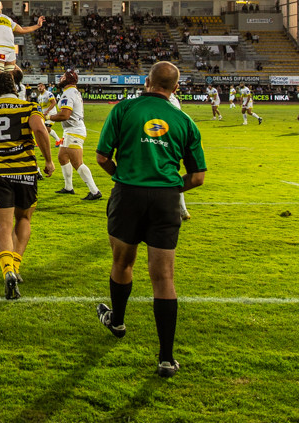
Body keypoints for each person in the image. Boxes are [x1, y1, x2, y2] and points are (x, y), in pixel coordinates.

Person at [94, 61, 207, 379]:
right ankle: (167, 358)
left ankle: (117, 321)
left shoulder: (124, 109)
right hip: (165, 201)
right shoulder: (184, 120)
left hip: (127, 194)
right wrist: (171, 188)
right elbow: (197, 178)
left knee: (122, 263)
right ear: (176, 88)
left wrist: (122, 177)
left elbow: (102, 157)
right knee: (164, 278)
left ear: (147, 81)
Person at [0, 71, 55, 300]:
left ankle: (7, 270)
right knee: (24, 219)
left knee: (2, 227)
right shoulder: (28, 107)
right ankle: (15, 265)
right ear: (15, 88)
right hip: (25, 171)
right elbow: (40, 130)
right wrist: (48, 160)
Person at [46, 71, 103, 201]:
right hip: (71, 130)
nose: (60, 79)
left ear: (68, 79)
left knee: (77, 162)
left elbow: (65, 115)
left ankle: (94, 191)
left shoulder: (69, 93)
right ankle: (68, 187)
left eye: (63, 77)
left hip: (74, 130)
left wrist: (48, 117)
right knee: (62, 157)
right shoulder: (72, 92)